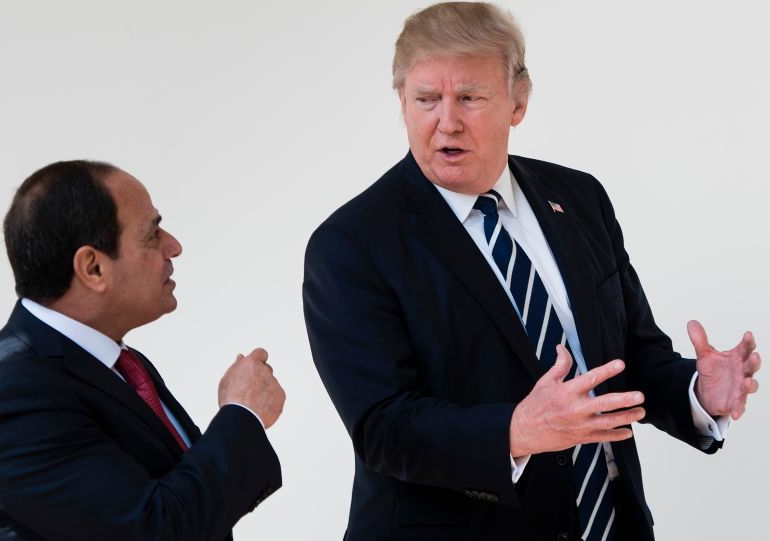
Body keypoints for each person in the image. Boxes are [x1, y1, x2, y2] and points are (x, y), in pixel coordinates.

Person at [302, 3, 760, 540]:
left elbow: (628, 359)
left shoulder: (580, 198)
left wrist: (698, 394)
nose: (447, 121)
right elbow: (383, 428)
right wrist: (515, 432)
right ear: (402, 101)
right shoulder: (350, 245)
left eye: (470, 97)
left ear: (518, 102)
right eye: (426, 99)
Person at [0, 160, 285, 541]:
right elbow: (154, 528)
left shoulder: (110, 362)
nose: (174, 247)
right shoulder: (15, 397)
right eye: (152, 235)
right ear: (93, 268)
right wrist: (243, 414)